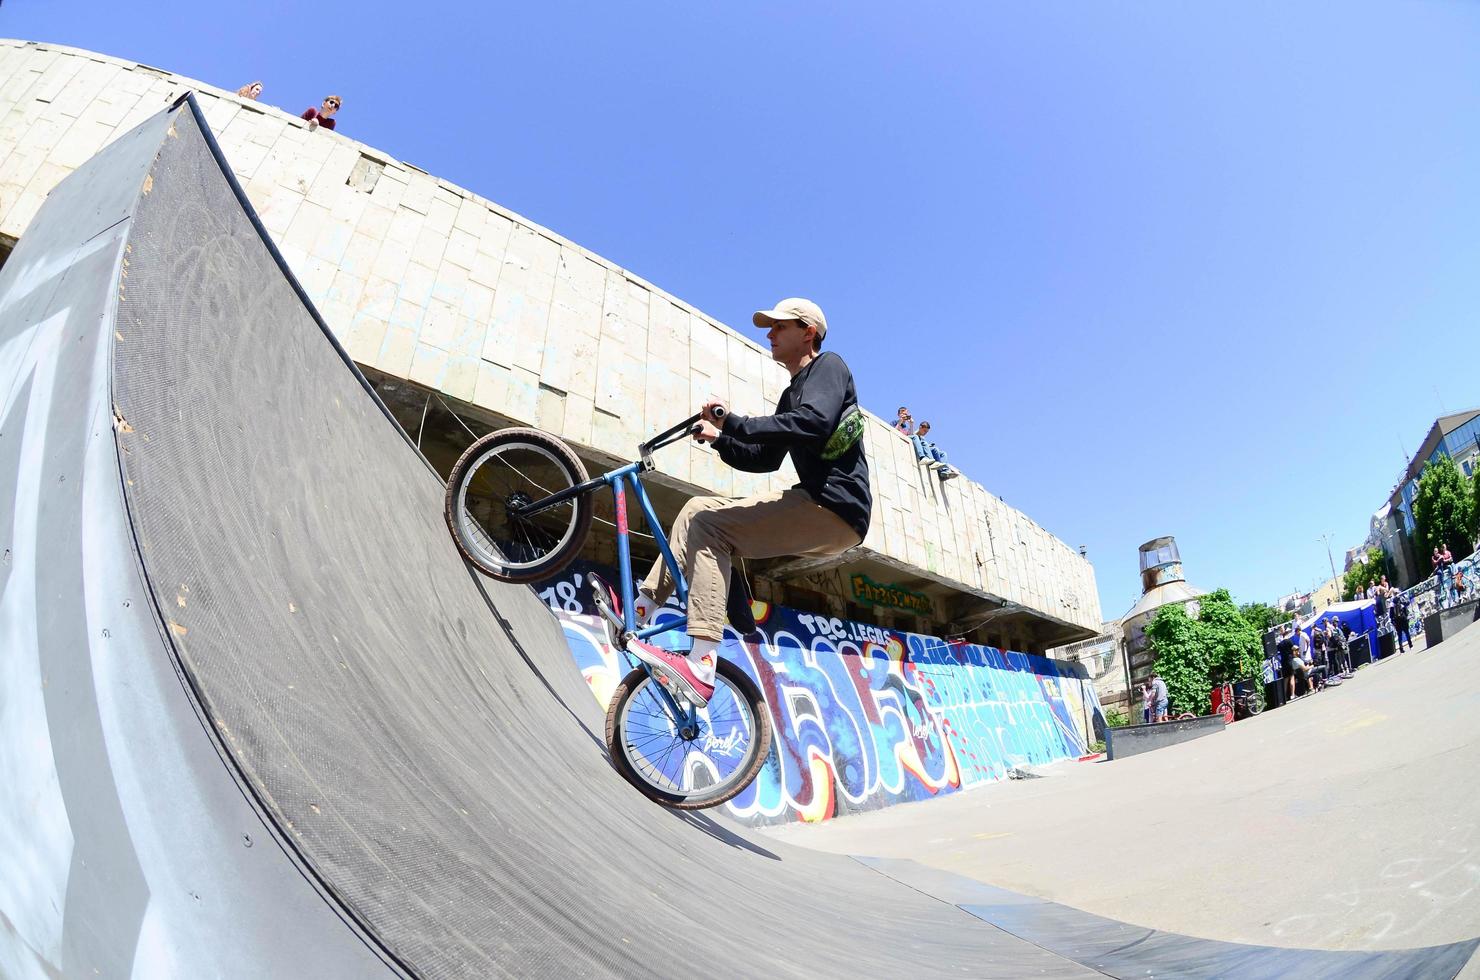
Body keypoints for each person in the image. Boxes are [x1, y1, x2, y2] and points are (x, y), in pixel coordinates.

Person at [618, 298, 870, 706]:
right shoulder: (793, 396)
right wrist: (720, 439)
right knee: (698, 509)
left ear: (808, 332)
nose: (770, 335)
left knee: (711, 528)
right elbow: (764, 459)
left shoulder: (829, 367)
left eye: (778, 327)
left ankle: (701, 663)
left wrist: (734, 421)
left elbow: (815, 422)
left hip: (834, 507)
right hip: (819, 506)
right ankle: (644, 607)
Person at [1276, 625, 1297, 703]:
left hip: (1283, 662)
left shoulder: (1280, 644)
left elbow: (1277, 653)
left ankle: (1284, 696)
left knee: (1285, 679)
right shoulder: (1289, 641)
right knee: (1292, 677)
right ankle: (1292, 694)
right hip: (1290, 660)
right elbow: (1294, 648)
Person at [1392, 588, 1413, 653]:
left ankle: (1401, 648)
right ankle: (1410, 645)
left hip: (1396, 620)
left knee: (1399, 635)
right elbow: (1407, 603)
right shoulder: (1401, 598)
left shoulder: (1392, 602)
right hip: (1403, 618)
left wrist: (1393, 621)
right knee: (1407, 632)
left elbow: (1391, 614)